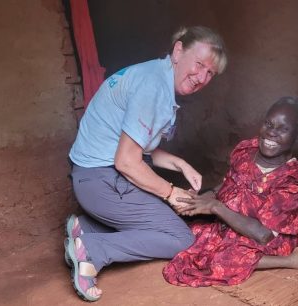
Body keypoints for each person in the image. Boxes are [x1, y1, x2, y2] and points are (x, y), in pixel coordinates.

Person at [64, 26, 227, 301]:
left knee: (160, 213)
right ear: (178, 50)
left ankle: (85, 227)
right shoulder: (154, 88)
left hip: (91, 178)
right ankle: (92, 250)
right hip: (102, 182)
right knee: (180, 237)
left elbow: (138, 146)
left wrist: (181, 164)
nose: (201, 77)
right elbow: (127, 162)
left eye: (210, 73)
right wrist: (172, 193)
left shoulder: (154, 75)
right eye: (199, 64)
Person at [163, 96, 298, 287]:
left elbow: (263, 234)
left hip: (264, 236)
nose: (271, 133)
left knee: (223, 259)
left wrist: (215, 207)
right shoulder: (246, 150)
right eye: (269, 124)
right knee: (183, 234)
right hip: (229, 222)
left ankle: (292, 260)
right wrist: (204, 198)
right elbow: (228, 183)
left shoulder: (293, 179)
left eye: (283, 129)